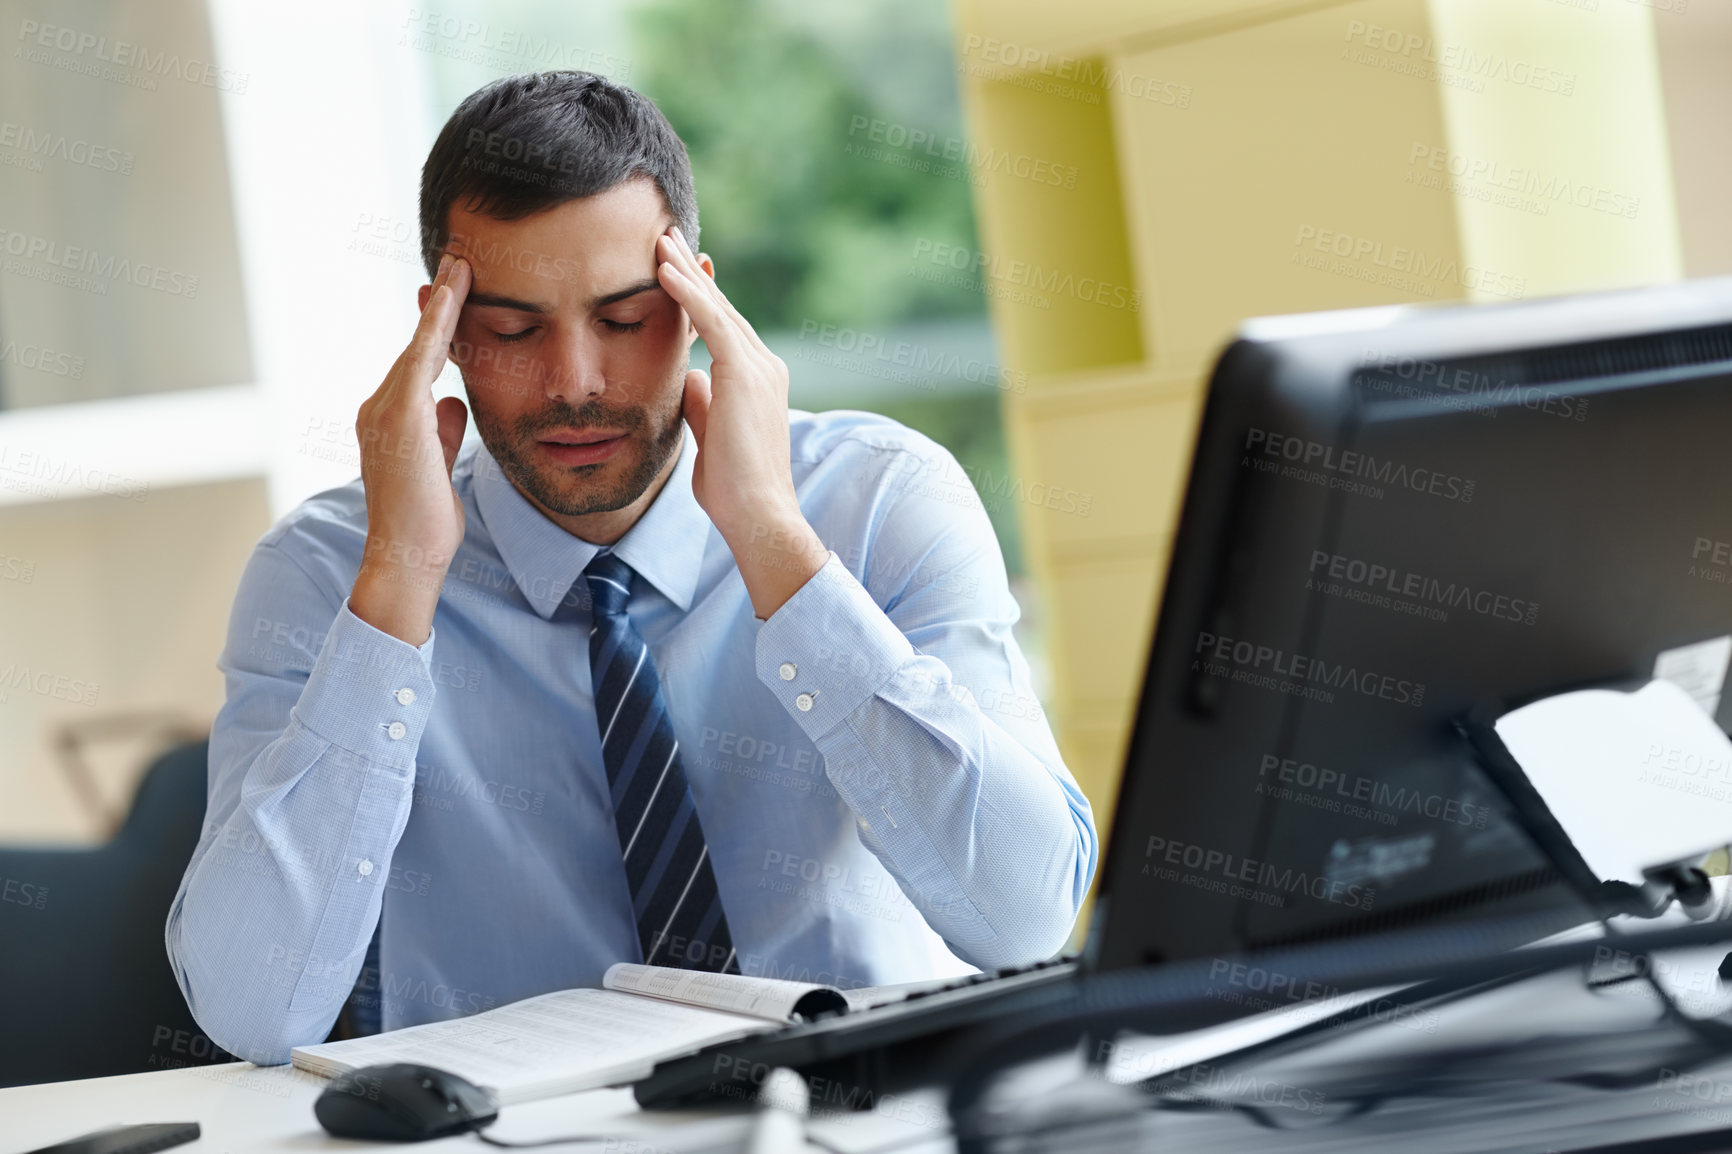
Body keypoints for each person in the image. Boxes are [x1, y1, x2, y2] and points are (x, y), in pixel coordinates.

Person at [166, 70, 1097, 1065]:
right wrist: (396, 587)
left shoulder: (880, 501)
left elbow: (1025, 915)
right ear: (440, 332)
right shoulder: (322, 573)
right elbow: (253, 1013)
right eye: (513, 329)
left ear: (698, 303)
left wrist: (777, 543)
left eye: (622, 319)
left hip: (865, 1117)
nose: (574, 383)